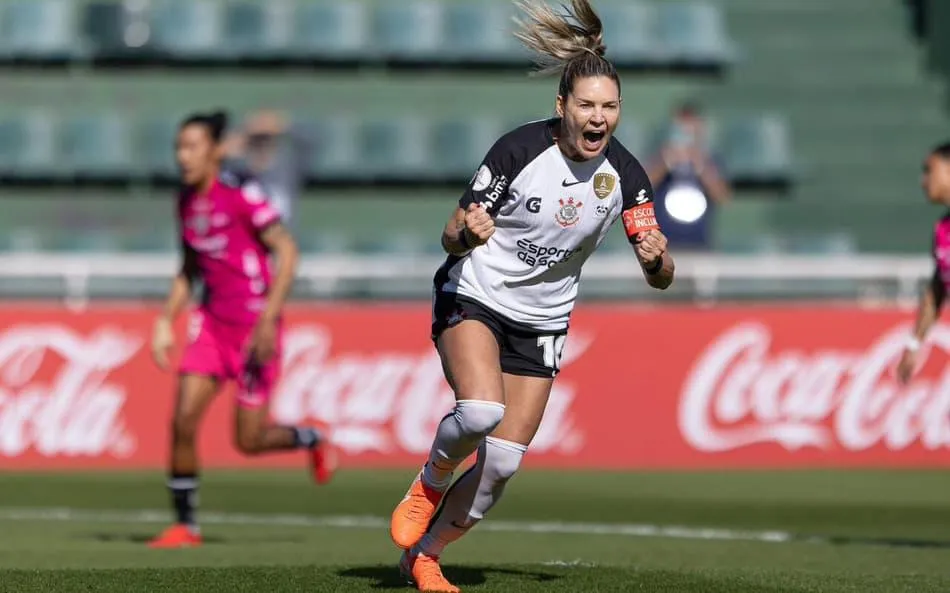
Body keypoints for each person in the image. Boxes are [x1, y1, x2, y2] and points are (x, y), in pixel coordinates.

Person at [388, 1, 675, 591]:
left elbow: (660, 272)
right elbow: (451, 232)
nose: (599, 118)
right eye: (588, 106)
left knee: (503, 464)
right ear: (562, 107)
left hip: (543, 320)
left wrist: (659, 259)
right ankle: (432, 477)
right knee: (481, 412)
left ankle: (425, 555)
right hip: (477, 296)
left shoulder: (626, 176)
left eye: (610, 107)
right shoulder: (518, 152)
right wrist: (465, 232)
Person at [147, 110, 336, 549]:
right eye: (179, 147)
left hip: (255, 329)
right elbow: (189, 266)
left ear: (215, 150)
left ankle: (311, 438)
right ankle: (186, 526)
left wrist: (269, 319)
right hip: (211, 325)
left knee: (248, 441)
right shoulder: (186, 200)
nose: (183, 156)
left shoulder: (243, 193)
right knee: (181, 420)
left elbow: (286, 253)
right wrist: (164, 320)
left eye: (192, 147)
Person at [897, 142, 950, 385]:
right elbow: (937, 287)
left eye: (930, 170)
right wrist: (915, 343)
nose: (923, 180)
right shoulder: (942, 230)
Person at [645, 101, 731, 249]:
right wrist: (666, 162)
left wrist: (700, 164)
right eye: (681, 129)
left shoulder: (710, 159)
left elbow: (722, 196)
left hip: (699, 243)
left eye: (690, 130)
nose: (686, 135)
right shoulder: (659, 156)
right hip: (661, 244)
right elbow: (642, 188)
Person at [221, 109, 314, 229]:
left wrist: (284, 125)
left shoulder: (288, 166)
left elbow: (312, 143)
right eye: (256, 140)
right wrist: (245, 129)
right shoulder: (236, 170)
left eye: (267, 139)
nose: (262, 145)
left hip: (282, 241)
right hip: (247, 242)